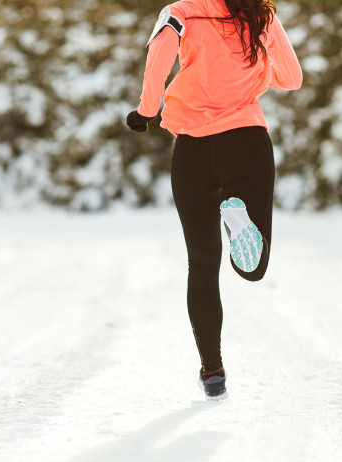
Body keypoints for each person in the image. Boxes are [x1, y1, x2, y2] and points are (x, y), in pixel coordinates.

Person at [126, 0, 302, 399]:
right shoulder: (259, 12)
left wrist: (146, 110)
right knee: (254, 266)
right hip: (247, 142)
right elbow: (292, 78)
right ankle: (238, 216)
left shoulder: (181, 11)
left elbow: (160, 55)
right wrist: (255, 72)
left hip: (193, 152)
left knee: (203, 265)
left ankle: (213, 371)